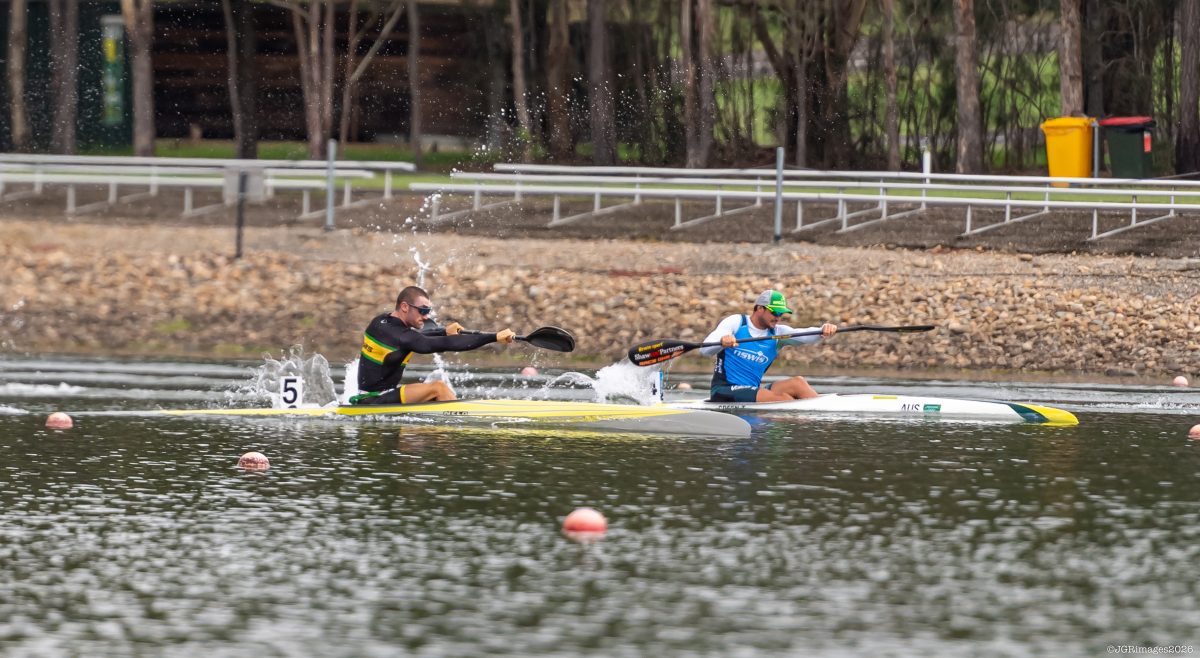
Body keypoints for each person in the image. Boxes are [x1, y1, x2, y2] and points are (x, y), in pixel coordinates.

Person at [350, 285, 515, 405]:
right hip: (373, 400)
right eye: (422, 311)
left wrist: (444, 331)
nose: (426, 316)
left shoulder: (381, 321)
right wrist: (493, 337)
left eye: (428, 311)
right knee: (438, 388)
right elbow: (440, 344)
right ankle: (462, 419)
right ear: (405, 306)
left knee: (435, 393)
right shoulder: (402, 336)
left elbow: (416, 337)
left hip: (377, 396)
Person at [700, 289, 837, 402]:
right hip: (724, 390)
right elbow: (705, 350)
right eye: (775, 312)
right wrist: (722, 341)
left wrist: (823, 330)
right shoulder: (737, 322)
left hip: (751, 390)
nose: (778, 317)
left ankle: (826, 414)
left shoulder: (778, 333)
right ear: (760, 308)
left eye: (781, 313)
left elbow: (803, 335)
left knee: (798, 383)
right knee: (784, 399)